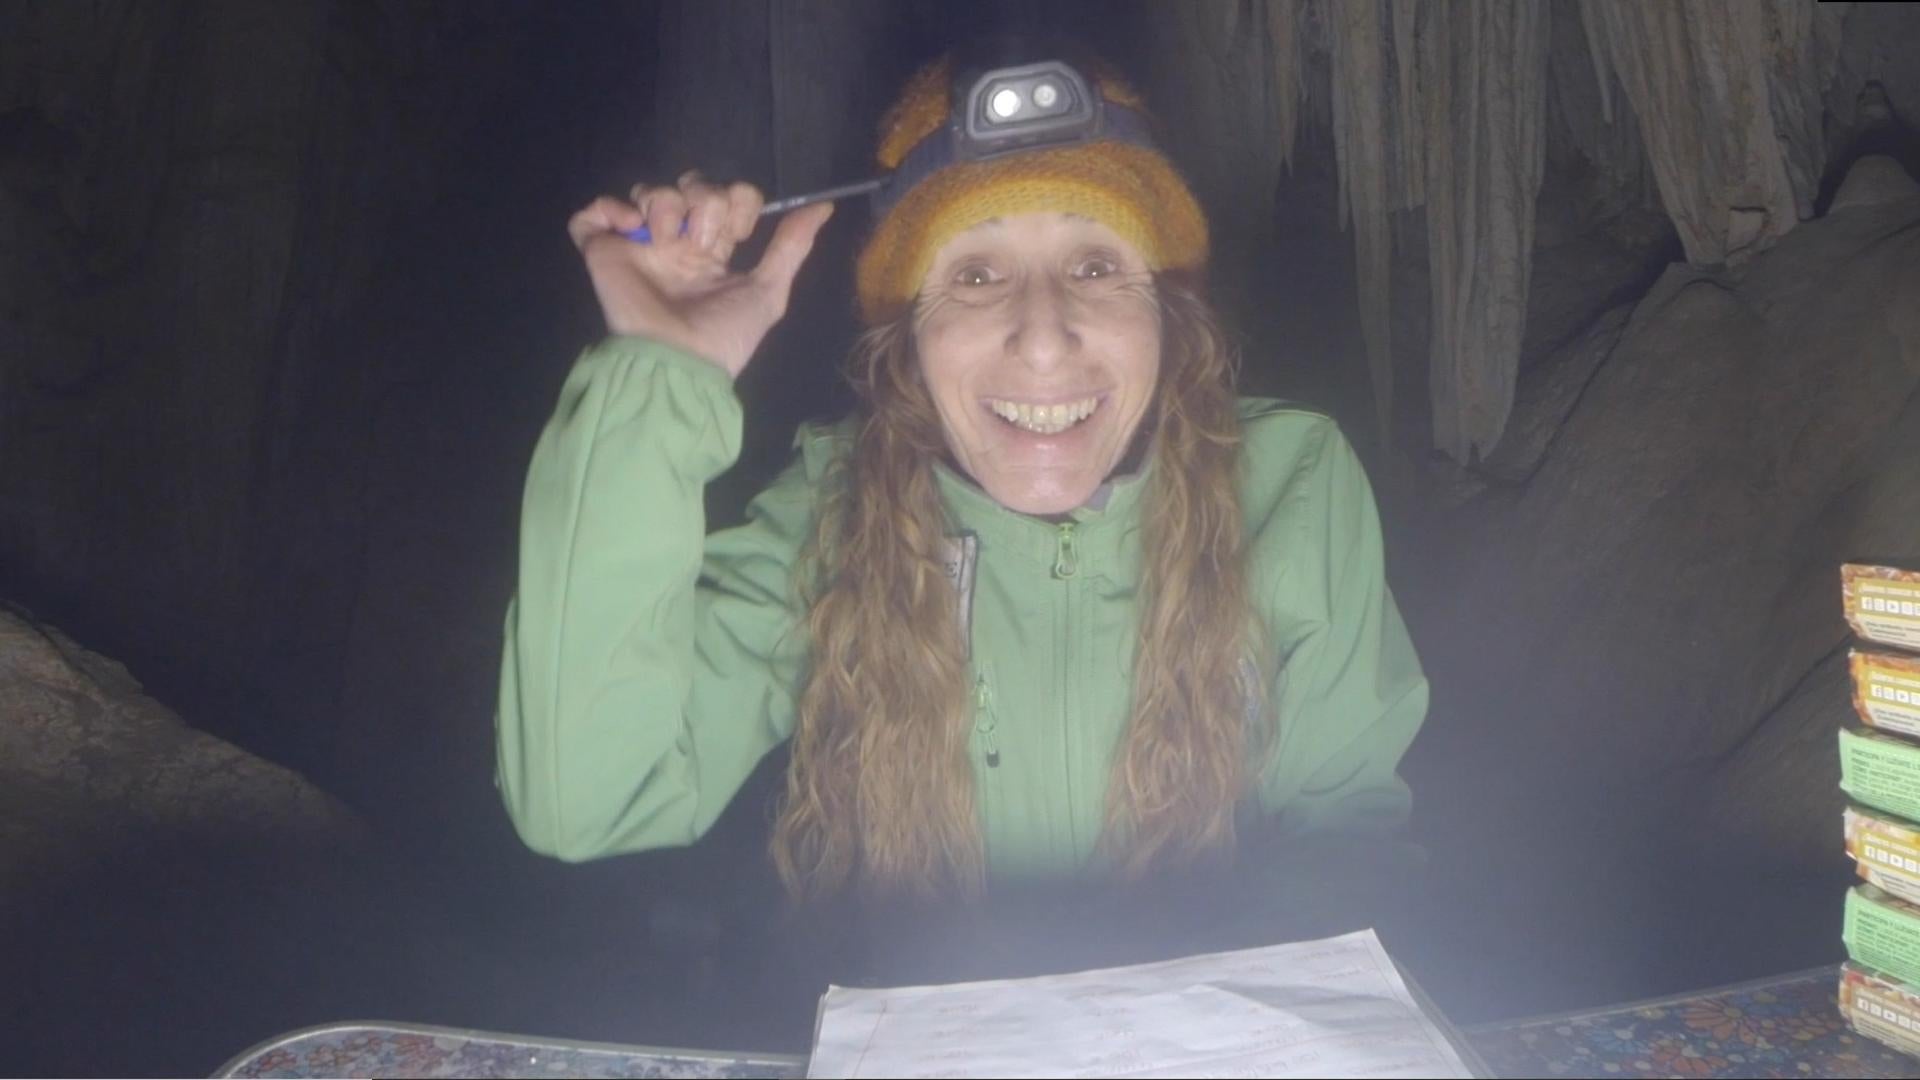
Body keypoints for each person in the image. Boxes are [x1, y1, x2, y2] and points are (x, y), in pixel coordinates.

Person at [495, 49, 1429, 980]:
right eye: (977, 275)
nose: (1043, 333)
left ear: (1167, 312)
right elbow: (590, 800)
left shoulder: (1292, 483)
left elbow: (1348, 840)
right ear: (909, 339)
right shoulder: (833, 509)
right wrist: (660, 375)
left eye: (1096, 265)